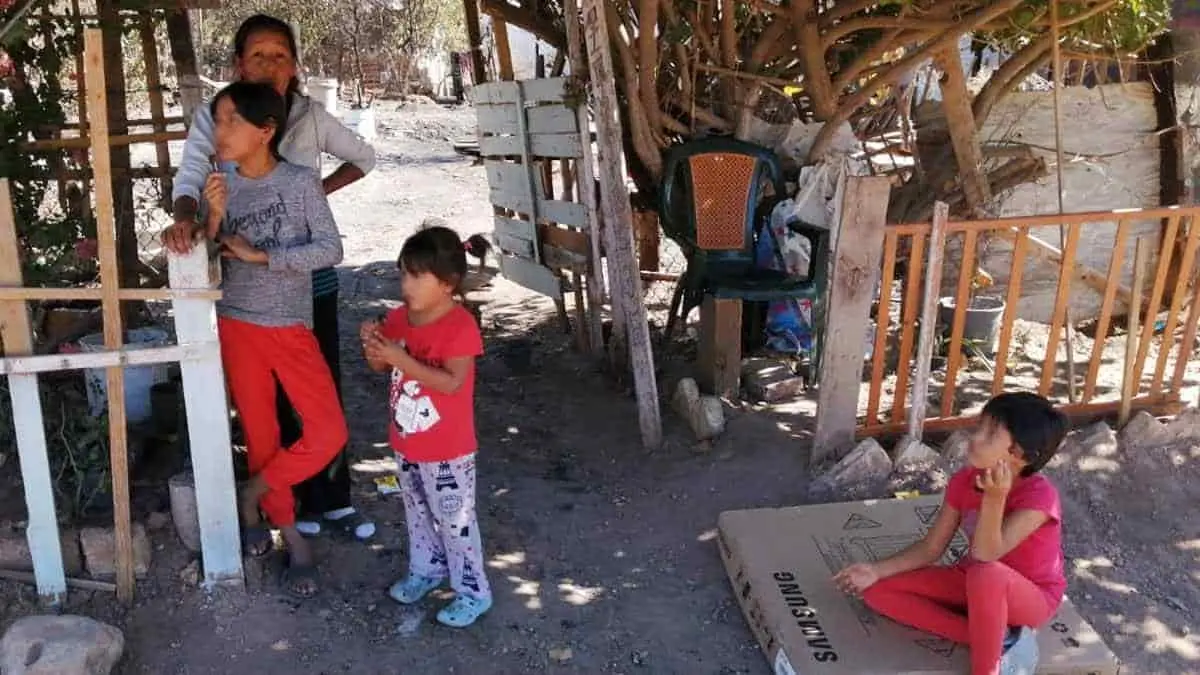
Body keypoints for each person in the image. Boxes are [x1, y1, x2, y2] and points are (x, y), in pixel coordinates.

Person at [165, 14, 377, 542]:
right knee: (265, 407)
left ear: (295, 66)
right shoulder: (218, 117)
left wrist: (313, 198)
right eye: (257, 55)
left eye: (279, 55)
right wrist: (188, 216)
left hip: (304, 281)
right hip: (245, 298)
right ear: (238, 64)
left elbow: (365, 157)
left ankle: (330, 499)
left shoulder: (308, 115)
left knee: (319, 387)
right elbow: (191, 174)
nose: (269, 64)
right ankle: (286, 504)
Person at [162, 81, 348, 597]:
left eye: (229, 122)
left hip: (289, 327)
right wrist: (213, 219)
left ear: (265, 130)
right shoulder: (218, 184)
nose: (218, 132)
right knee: (262, 435)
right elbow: (205, 259)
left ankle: (253, 491)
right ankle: (289, 535)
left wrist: (265, 256)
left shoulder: (301, 183)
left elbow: (331, 248)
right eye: (217, 121)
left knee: (327, 433)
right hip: (238, 326)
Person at [834, 392, 1069, 675]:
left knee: (987, 574)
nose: (975, 437)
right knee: (876, 590)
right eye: (979, 426)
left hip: (1030, 599)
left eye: (990, 434)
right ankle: (1000, 637)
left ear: (1020, 456)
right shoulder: (964, 481)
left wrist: (995, 499)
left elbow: (986, 555)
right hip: (971, 581)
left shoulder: (1041, 497)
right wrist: (875, 570)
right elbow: (931, 548)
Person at [360, 226, 493, 628]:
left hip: (449, 450)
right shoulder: (399, 318)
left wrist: (402, 360)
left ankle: (473, 591)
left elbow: (452, 383)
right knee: (416, 512)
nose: (406, 284)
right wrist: (373, 347)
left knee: (455, 522)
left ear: (448, 284)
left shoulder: (460, 327)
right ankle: (428, 569)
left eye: (417, 276)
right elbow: (380, 366)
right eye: (403, 274)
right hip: (407, 442)